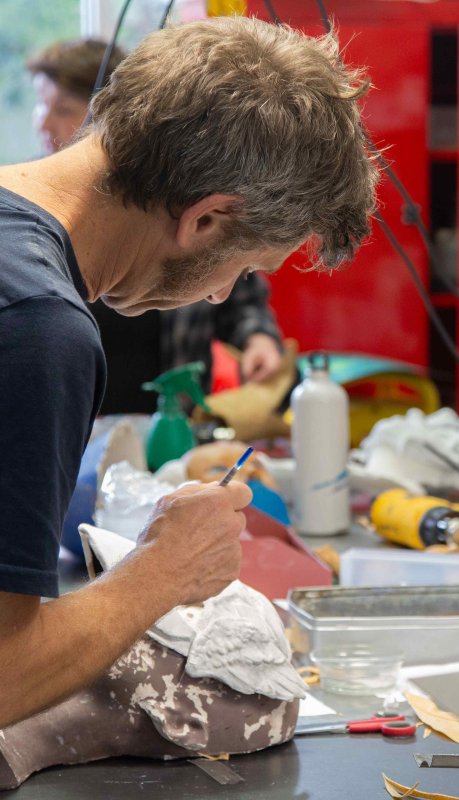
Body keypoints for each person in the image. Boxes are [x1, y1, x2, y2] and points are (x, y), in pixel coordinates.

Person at [0, 16, 378, 727]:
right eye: (245, 268)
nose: (220, 296)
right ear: (205, 219)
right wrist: (164, 570)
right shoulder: (37, 327)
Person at [27, 38, 286, 412]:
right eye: (40, 103)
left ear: (106, 114)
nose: (43, 121)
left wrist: (258, 337)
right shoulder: (34, 225)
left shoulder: (175, 198)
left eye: (63, 108)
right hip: (79, 424)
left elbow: (238, 293)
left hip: (173, 421)